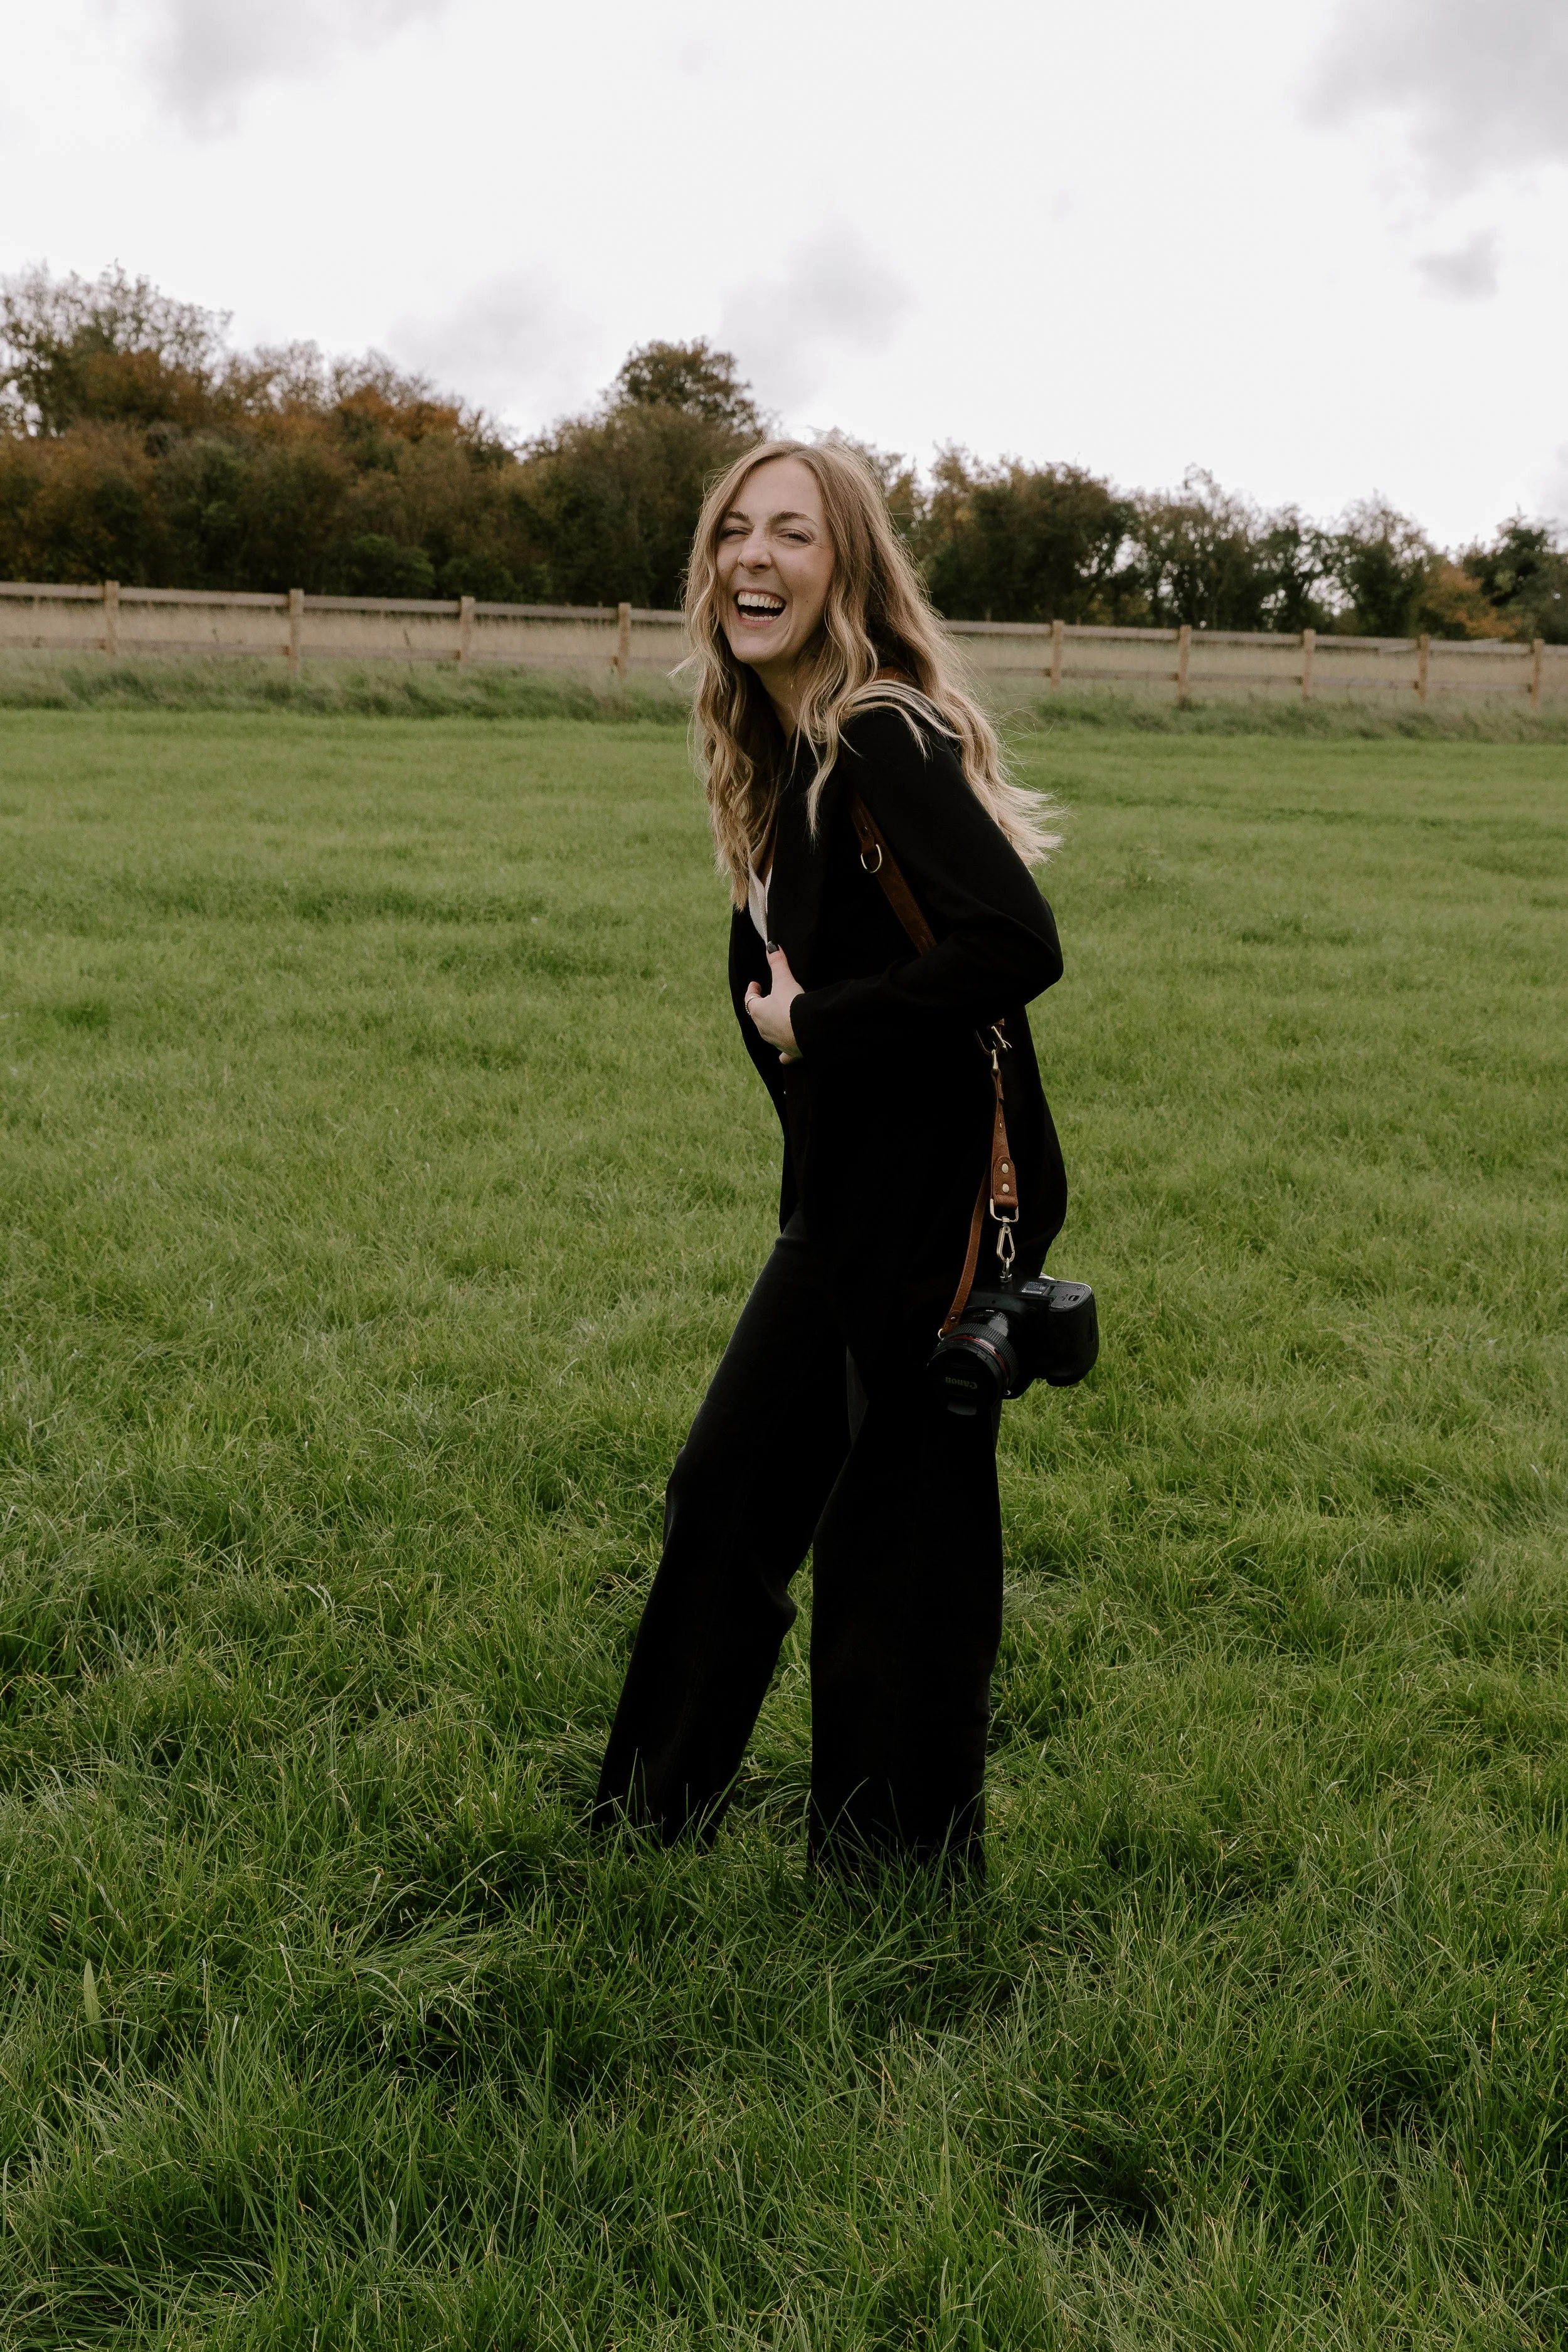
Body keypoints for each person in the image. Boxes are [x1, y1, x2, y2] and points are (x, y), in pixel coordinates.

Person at [592, 437, 1067, 1872]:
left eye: (791, 535)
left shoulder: (876, 732)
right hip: (842, 1203)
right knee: (727, 1494)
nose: (753, 558)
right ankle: (640, 1822)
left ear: (844, 565)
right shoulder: (788, 745)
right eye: (733, 531)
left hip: (932, 1212)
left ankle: (893, 1891)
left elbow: (1013, 945)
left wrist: (823, 1028)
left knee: (897, 1550)